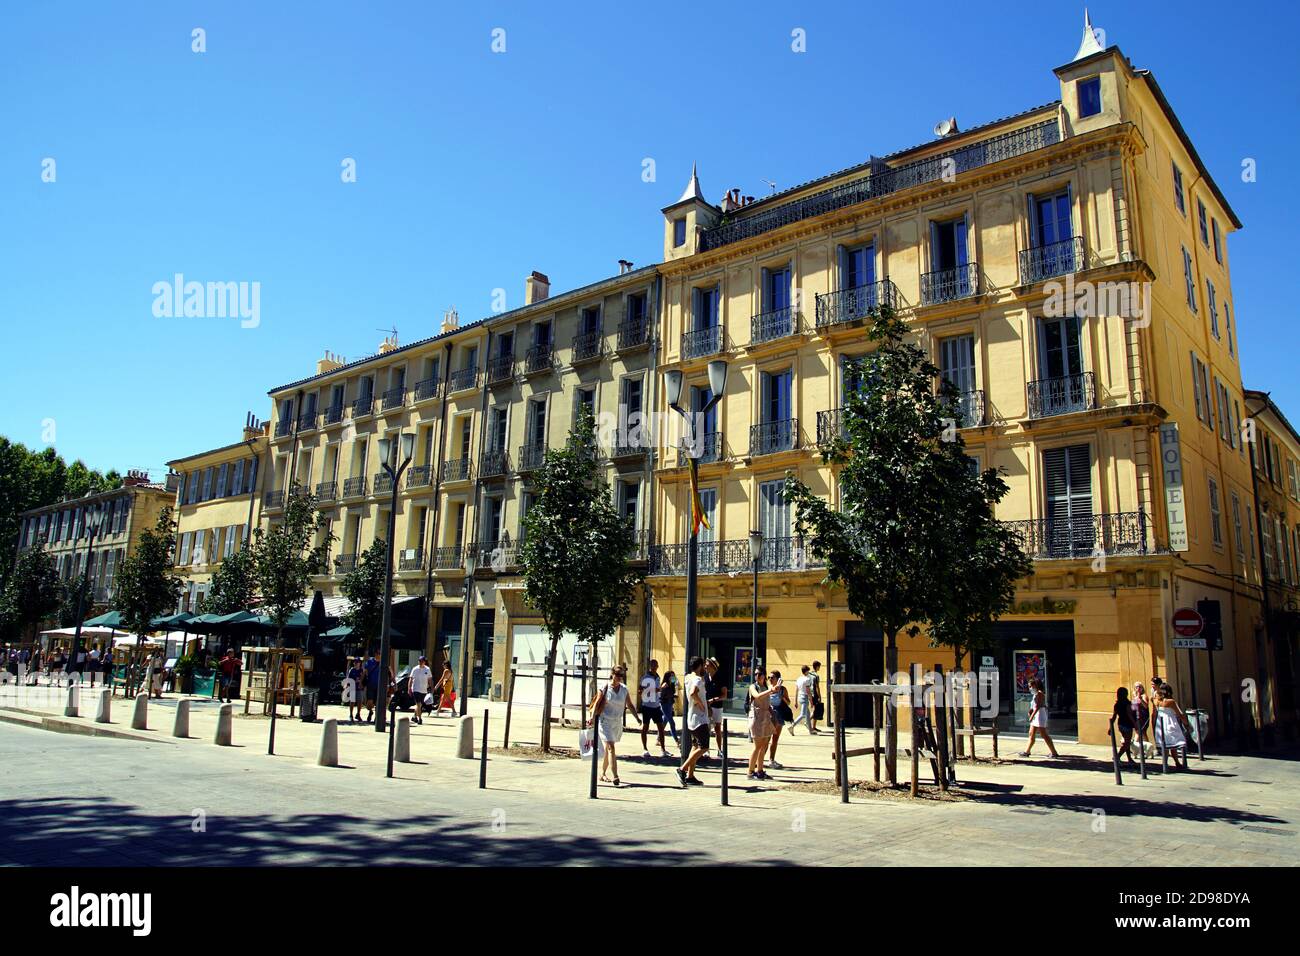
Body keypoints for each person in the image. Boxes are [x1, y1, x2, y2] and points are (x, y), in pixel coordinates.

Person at [592, 666, 641, 787]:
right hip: (605, 721)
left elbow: (629, 704)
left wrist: (637, 718)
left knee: (609, 747)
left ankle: (602, 773)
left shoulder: (624, 689)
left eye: (622, 675)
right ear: (612, 674)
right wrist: (592, 718)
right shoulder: (605, 687)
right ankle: (615, 775)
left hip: (616, 722)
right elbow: (597, 703)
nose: (620, 677)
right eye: (618, 674)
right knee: (611, 747)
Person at [677, 657, 710, 787]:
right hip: (699, 718)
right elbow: (692, 693)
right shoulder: (697, 679)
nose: (705, 668)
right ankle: (682, 769)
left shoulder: (688, 677)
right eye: (704, 666)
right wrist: (701, 705)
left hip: (692, 718)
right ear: (699, 666)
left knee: (695, 746)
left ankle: (690, 776)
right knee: (704, 747)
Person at [745, 670, 777, 780]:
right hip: (756, 717)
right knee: (757, 746)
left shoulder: (766, 687)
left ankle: (760, 770)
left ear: (764, 675)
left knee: (764, 745)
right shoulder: (753, 686)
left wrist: (773, 714)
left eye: (759, 674)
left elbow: (767, 701)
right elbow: (757, 696)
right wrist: (770, 690)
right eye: (755, 674)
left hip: (765, 717)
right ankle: (750, 771)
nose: (757, 676)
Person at [1020, 677, 1060, 757]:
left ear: (1036, 685)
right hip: (1036, 715)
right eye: (1029, 687)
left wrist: (1031, 716)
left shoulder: (1040, 693)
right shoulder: (1035, 694)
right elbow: (1033, 706)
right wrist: (1030, 711)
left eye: (1031, 686)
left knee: (1043, 734)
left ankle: (1054, 752)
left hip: (1040, 715)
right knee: (1031, 733)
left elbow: (1038, 706)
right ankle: (1027, 751)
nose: (1030, 688)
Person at [1153, 682, 1190, 769]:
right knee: (1174, 744)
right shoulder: (1171, 702)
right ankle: (1177, 763)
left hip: (1160, 723)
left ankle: (1165, 764)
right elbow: (1179, 714)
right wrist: (1186, 723)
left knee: (1165, 745)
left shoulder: (1156, 701)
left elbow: (1154, 713)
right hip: (1170, 722)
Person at [638, 659, 668, 757]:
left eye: (656, 665)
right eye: (652, 665)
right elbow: (640, 690)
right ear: (650, 666)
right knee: (645, 727)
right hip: (647, 706)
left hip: (656, 706)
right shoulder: (645, 677)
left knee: (661, 728)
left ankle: (663, 750)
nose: (654, 667)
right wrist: (657, 689)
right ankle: (644, 748)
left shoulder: (658, 677)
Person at [767, 670, 791, 769]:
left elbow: (788, 702)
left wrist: (782, 697)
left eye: (772, 677)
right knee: (766, 739)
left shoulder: (782, 689)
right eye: (769, 677)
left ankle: (771, 759)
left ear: (778, 679)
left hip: (779, 714)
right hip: (769, 714)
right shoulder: (767, 688)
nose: (770, 679)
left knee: (775, 739)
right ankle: (760, 760)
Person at [703, 657, 728, 753]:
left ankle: (719, 750)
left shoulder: (720, 678)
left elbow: (724, 695)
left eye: (707, 665)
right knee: (706, 728)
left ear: (713, 667)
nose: (705, 667)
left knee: (717, 728)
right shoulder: (704, 677)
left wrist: (713, 700)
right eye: (705, 665)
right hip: (706, 706)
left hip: (717, 706)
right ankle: (706, 750)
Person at [1109, 686, 1137, 765]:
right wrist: (1135, 724)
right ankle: (1117, 756)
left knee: (1126, 741)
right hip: (1127, 724)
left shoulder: (1117, 704)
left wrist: (1110, 727)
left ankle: (1129, 759)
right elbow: (1130, 714)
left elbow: (1114, 716)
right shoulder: (1127, 703)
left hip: (1120, 724)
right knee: (1127, 743)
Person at [409, 656, 433, 724]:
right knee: (418, 704)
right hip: (416, 689)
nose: (420, 662)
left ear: (424, 662)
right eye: (419, 661)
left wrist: (432, 687)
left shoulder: (427, 669)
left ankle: (414, 716)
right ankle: (420, 719)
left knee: (419, 705)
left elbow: (430, 679)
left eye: (422, 661)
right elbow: (410, 679)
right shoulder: (415, 669)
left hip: (424, 690)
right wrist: (409, 688)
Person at [790, 665, 813, 733]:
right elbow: (808, 691)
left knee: (808, 714)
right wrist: (811, 701)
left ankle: (810, 730)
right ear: (806, 671)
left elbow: (796, 690)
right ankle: (792, 725)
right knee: (803, 714)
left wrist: (795, 701)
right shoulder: (807, 679)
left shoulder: (799, 679)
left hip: (800, 697)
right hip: (805, 697)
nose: (808, 672)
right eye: (808, 671)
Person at [659, 670, 680, 747]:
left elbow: (672, 693)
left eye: (674, 676)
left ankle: (658, 739)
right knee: (672, 722)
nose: (673, 677)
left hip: (670, 704)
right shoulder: (665, 685)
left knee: (665, 721)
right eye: (672, 676)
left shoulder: (672, 684)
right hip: (665, 705)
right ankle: (677, 741)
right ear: (668, 677)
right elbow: (661, 695)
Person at [1131, 681, 1151, 757]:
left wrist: (1140, 699)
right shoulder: (1134, 696)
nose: (1138, 688)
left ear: (1142, 688)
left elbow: (1146, 706)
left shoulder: (1144, 696)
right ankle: (1147, 749)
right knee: (1141, 733)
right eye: (1136, 687)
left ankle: (1134, 749)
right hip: (1137, 716)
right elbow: (1133, 707)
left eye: (1139, 687)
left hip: (1144, 716)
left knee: (1140, 732)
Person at [342, 657, 363, 722]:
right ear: (354, 663)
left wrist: (361, 682)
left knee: (360, 702)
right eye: (356, 662)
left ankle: (358, 714)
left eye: (358, 662)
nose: (357, 663)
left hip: (359, 688)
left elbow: (363, 678)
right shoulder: (352, 670)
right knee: (352, 702)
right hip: (352, 687)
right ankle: (351, 715)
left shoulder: (361, 670)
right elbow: (348, 679)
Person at [363, 652, 382, 723]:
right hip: (370, 685)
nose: (379, 655)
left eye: (380, 654)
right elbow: (365, 672)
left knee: (378, 703)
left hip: (380, 686)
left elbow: (389, 672)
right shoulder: (370, 662)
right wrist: (362, 682)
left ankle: (376, 718)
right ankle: (370, 711)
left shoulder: (383, 662)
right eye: (378, 653)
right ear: (375, 654)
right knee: (369, 703)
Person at [809, 660, 824, 733]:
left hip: (809, 694)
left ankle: (813, 726)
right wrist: (819, 696)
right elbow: (817, 687)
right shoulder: (816, 676)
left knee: (815, 709)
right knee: (815, 710)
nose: (819, 668)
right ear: (817, 666)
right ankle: (808, 722)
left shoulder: (809, 674)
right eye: (819, 666)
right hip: (814, 694)